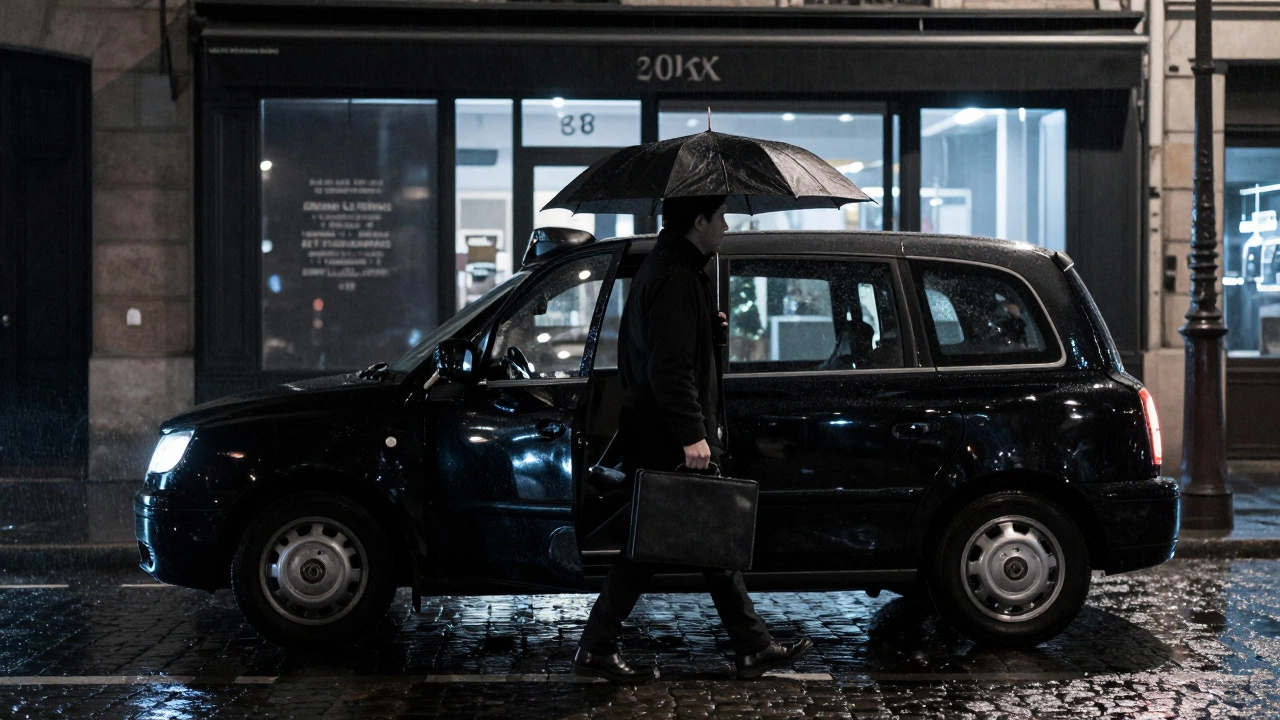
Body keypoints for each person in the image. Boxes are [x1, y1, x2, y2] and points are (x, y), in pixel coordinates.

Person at [572, 195, 813, 684]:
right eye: (720, 216)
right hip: (667, 437)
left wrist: (710, 327)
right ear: (699, 222)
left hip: (656, 430)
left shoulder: (671, 270)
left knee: (709, 544)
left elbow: (671, 350)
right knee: (648, 550)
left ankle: (753, 646)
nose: (726, 225)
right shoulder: (677, 278)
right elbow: (670, 368)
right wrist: (692, 436)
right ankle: (596, 646)